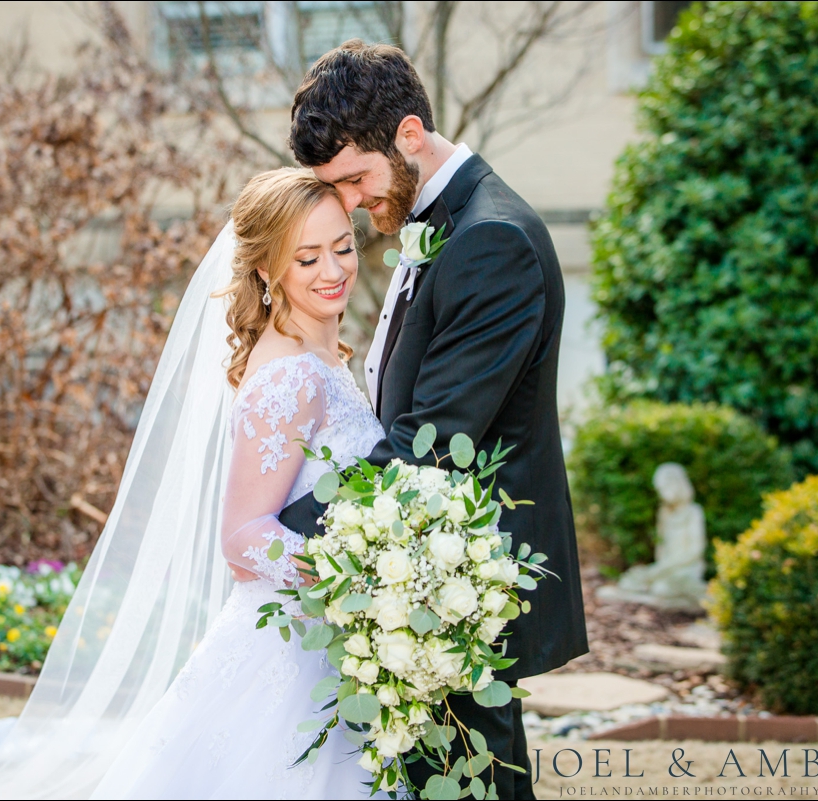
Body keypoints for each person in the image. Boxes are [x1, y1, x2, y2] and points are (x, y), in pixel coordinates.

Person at [0, 170, 387, 800]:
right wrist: (350, 574)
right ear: (266, 269)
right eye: (306, 257)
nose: (332, 269)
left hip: (323, 639)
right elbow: (242, 536)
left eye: (343, 246)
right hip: (290, 646)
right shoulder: (292, 379)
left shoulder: (320, 357)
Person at [277, 40, 590, 800]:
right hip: (416, 576)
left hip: (460, 591)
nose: (349, 202)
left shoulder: (491, 240)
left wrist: (284, 528)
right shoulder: (441, 222)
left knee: (472, 782)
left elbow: (433, 441)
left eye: (355, 178)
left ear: (410, 136)